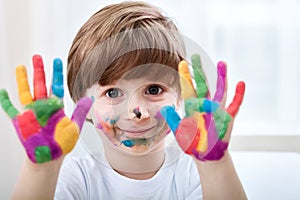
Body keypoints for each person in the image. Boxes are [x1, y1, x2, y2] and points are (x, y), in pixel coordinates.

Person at [0, 1, 247, 199]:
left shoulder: (194, 175)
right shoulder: (75, 179)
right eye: (112, 93)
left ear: (181, 96)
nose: (136, 111)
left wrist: (215, 165)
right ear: (83, 105)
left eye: (153, 89)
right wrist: (41, 170)